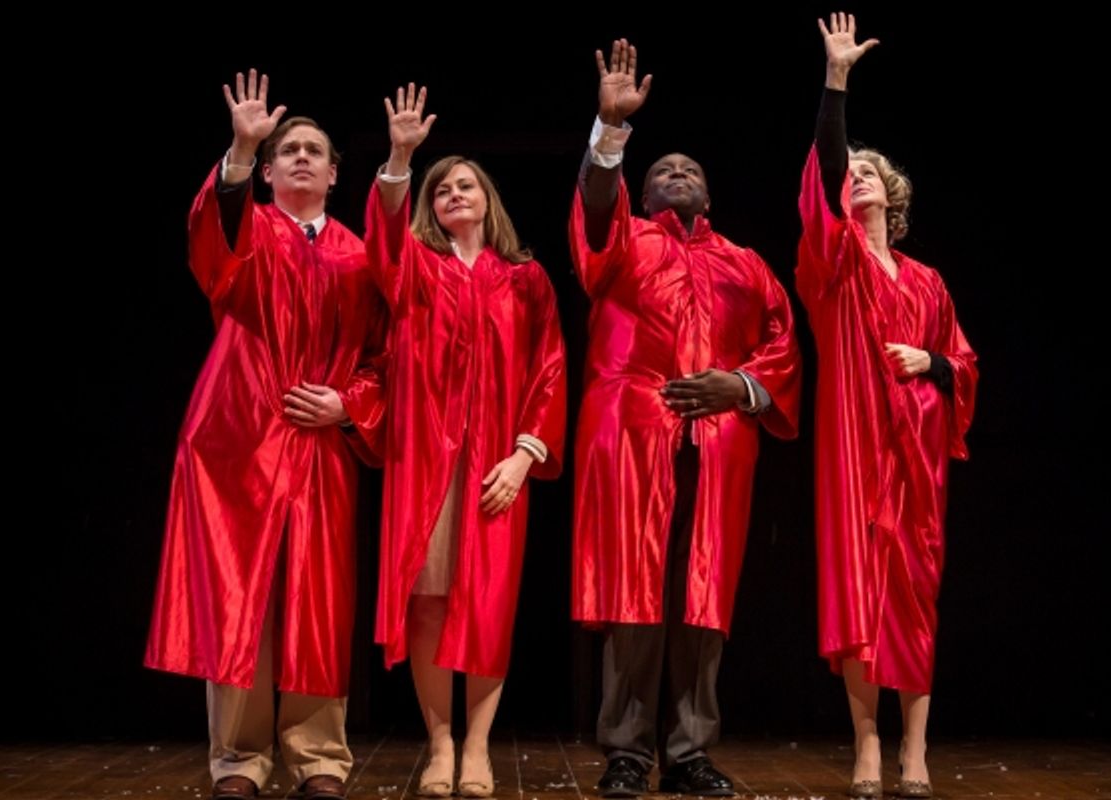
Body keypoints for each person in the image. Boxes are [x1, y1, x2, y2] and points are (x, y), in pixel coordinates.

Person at [144, 69, 388, 800]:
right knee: (238, 601)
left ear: (337, 173)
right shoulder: (250, 234)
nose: (303, 157)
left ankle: (319, 759)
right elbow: (209, 248)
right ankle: (239, 762)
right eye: (289, 150)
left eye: (315, 149)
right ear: (272, 170)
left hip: (319, 447)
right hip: (237, 439)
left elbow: (384, 358)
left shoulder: (362, 255)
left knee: (318, 600)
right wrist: (240, 153)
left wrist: (348, 405)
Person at [569, 40, 802, 798]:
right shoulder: (623, 243)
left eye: (691, 171)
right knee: (635, 594)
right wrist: (611, 132)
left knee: (702, 597)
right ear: (644, 192)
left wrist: (741, 387)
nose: (679, 175)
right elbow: (594, 212)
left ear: (710, 196)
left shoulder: (747, 262)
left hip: (719, 444)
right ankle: (628, 750)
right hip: (635, 435)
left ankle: (692, 750)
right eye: (663, 169)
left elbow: (783, 343)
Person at [795, 14, 980, 799]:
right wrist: (837, 82)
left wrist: (932, 360)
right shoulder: (833, 265)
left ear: (893, 194)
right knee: (858, 588)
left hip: (917, 456)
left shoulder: (929, 281)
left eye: (872, 171)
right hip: (853, 445)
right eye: (850, 173)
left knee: (914, 590)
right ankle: (866, 743)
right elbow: (829, 160)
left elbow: (964, 365)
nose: (858, 175)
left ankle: (915, 747)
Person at [366, 84, 567, 799]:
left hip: (495, 464)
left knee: (485, 602)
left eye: (466, 185)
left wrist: (523, 453)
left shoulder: (526, 279)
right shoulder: (415, 269)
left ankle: (479, 746)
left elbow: (549, 370)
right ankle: (440, 743)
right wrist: (399, 159)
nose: (454, 192)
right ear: (430, 205)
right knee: (426, 599)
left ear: (487, 200)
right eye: (441, 187)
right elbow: (382, 240)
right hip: (423, 462)